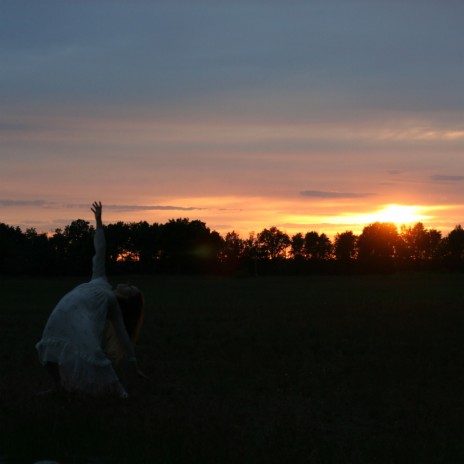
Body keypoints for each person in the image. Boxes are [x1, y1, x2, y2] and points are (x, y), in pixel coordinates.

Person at [36, 202, 147, 398]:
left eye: (131, 288)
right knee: (48, 344)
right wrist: (98, 222)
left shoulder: (112, 303)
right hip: (65, 307)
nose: (127, 283)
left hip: (79, 317)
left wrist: (133, 363)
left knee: (92, 353)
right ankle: (58, 386)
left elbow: (122, 335)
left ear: (127, 298)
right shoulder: (100, 278)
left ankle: (120, 392)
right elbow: (100, 251)